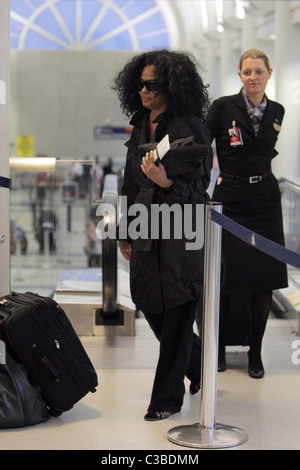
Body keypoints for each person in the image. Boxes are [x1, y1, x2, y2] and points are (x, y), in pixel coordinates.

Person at [112, 49, 212, 421]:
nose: (143, 90)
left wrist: (166, 181)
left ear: (171, 84)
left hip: (180, 228)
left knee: (178, 307)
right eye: (139, 83)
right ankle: (200, 366)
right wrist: (123, 227)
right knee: (149, 301)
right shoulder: (140, 123)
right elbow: (127, 181)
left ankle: (166, 399)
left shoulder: (190, 125)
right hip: (144, 223)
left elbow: (200, 188)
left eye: (151, 84)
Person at [205, 48, 288, 379]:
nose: (253, 77)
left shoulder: (278, 110)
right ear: (240, 75)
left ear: (269, 73)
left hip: (266, 199)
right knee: (225, 277)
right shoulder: (223, 107)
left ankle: (256, 352)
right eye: (247, 71)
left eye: (259, 71)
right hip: (231, 197)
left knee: (264, 280)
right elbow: (202, 142)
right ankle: (221, 349)